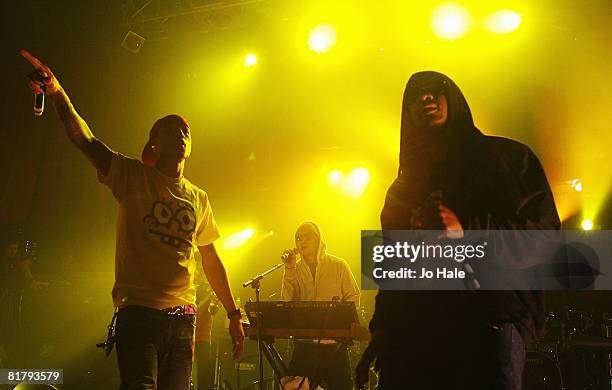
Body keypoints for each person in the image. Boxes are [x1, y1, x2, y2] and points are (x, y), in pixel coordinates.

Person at [21, 50, 244, 390]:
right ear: (154, 143)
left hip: (183, 319)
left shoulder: (199, 197)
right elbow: (85, 140)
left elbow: (211, 257)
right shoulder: (131, 176)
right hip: (139, 314)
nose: (181, 135)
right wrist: (56, 92)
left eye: (185, 131)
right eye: (171, 130)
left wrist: (233, 314)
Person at [356, 71, 560, 389]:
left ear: (455, 99)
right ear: (406, 112)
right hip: (413, 337)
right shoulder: (402, 190)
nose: (425, 97)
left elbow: (545, 239)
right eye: (415, 95)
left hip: (487, 324)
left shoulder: (508, 160)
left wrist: (467, 230)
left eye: (435, 89)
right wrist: (381, 332)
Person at [281, 221, 360, 390]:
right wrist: (289, 270)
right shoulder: (294, 269)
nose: (301, 241)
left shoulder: (338, 265)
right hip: (304, 343)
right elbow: (287, 303)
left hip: (334, 345)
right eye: (298, 237)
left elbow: (353, 296)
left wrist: (342, 321)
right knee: (294, 385)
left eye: (307, 236)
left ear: (318, 239)